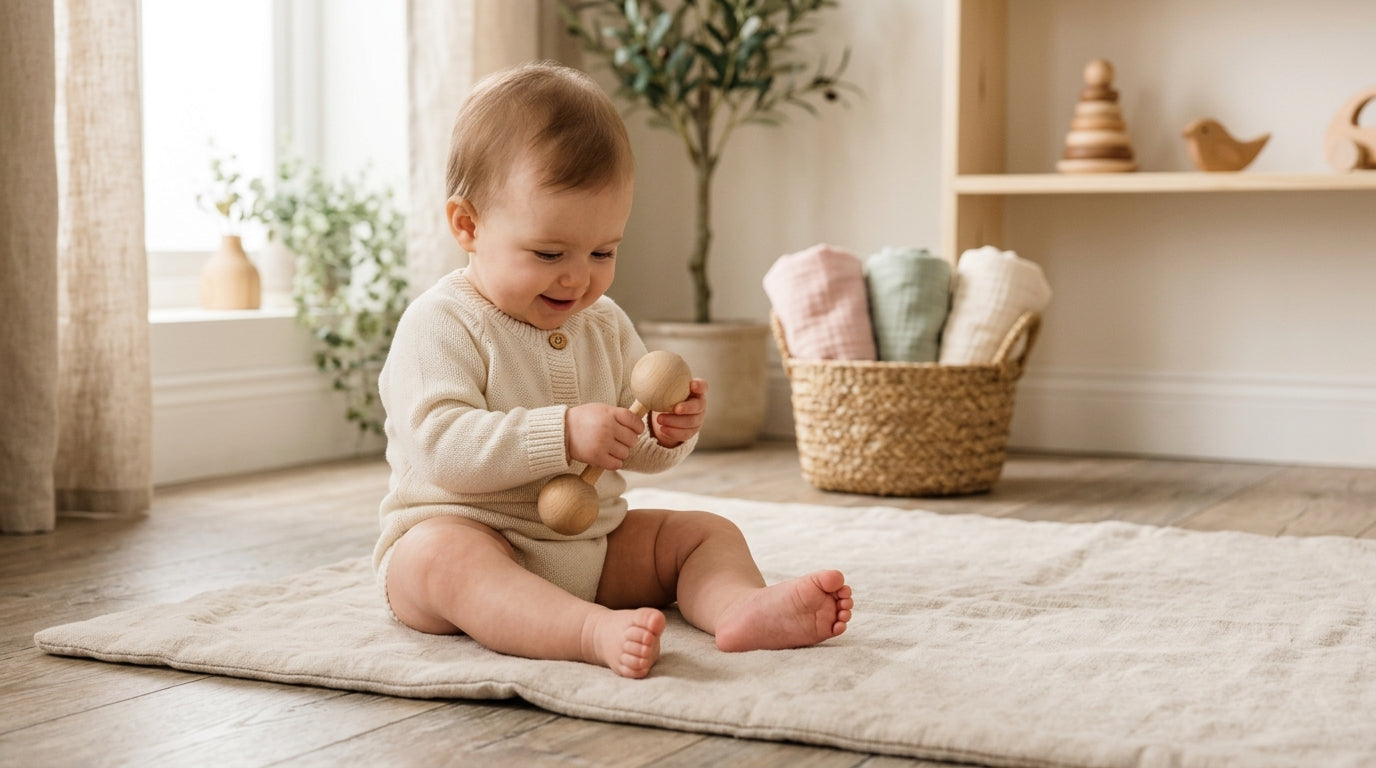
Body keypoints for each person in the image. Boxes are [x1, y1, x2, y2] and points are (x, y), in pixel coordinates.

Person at [373, 62, 852, 678]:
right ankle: (586, 630)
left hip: (589, 545)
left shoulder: (603, 322)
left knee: (704, 531)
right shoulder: (439, 324)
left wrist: (663, 430)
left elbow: (633, 445)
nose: (578, 277)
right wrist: (564, 432)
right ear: (468, 225)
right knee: (440, 559)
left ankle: (739, 608)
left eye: (603, 252)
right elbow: (442, 450)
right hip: (472, 534)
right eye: (549, 253)